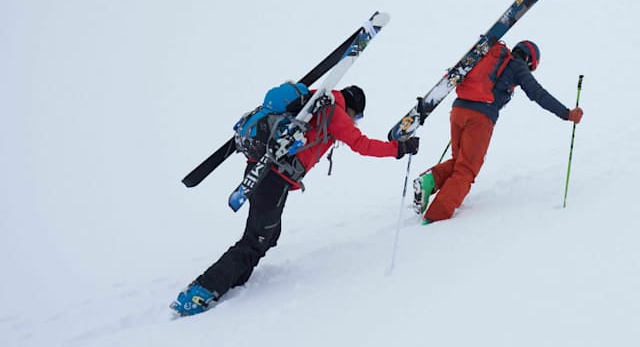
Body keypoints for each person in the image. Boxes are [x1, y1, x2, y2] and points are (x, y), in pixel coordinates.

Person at [171, 84, 419, 316]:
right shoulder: (334, 111)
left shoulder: (313, 99)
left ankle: (234, 279)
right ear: (353, 107)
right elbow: (361, 144)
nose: (355, 121)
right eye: (358, 116)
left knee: (269, 235)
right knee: (255, 240)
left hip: (260, 170)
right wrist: (399, 148)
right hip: (273, 178)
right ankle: (200, 292)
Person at [413, 40, 582, 223]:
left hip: (458, 110)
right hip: (480, 118)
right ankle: (435, 217)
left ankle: (429, 181)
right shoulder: (517, 65)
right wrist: (566, 114)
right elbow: (537, 93)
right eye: (531, 68)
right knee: (467, 169)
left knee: (459, 161)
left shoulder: (491, 57)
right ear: (529, 60)